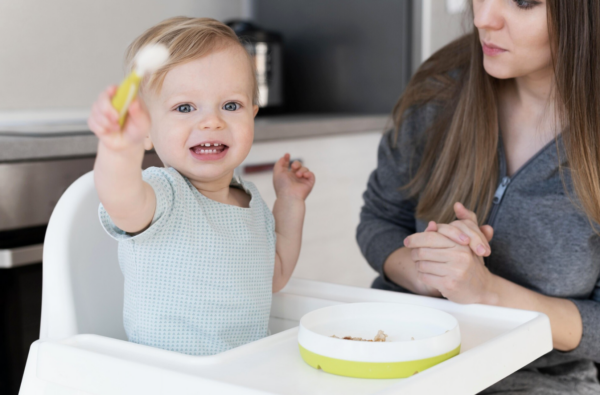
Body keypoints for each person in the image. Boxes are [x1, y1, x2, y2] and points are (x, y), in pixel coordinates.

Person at [357, 0, 600, 393]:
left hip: (537, 382)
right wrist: (431, 273)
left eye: (523, 2)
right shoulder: (440, 88)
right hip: (400, 360)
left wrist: (485, 291)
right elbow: (379, 220)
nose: (483, 18)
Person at [87, 17, 315, 356]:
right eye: (185, 107)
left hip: (242, 370)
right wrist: (120, 148)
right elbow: (121, 199)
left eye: (231, 105)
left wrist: (290, 201)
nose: (212, 120)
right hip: (173, 377)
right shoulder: (163, 193)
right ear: (146, 129)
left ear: (252, 114)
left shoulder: (249, 199)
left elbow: (275, 276)